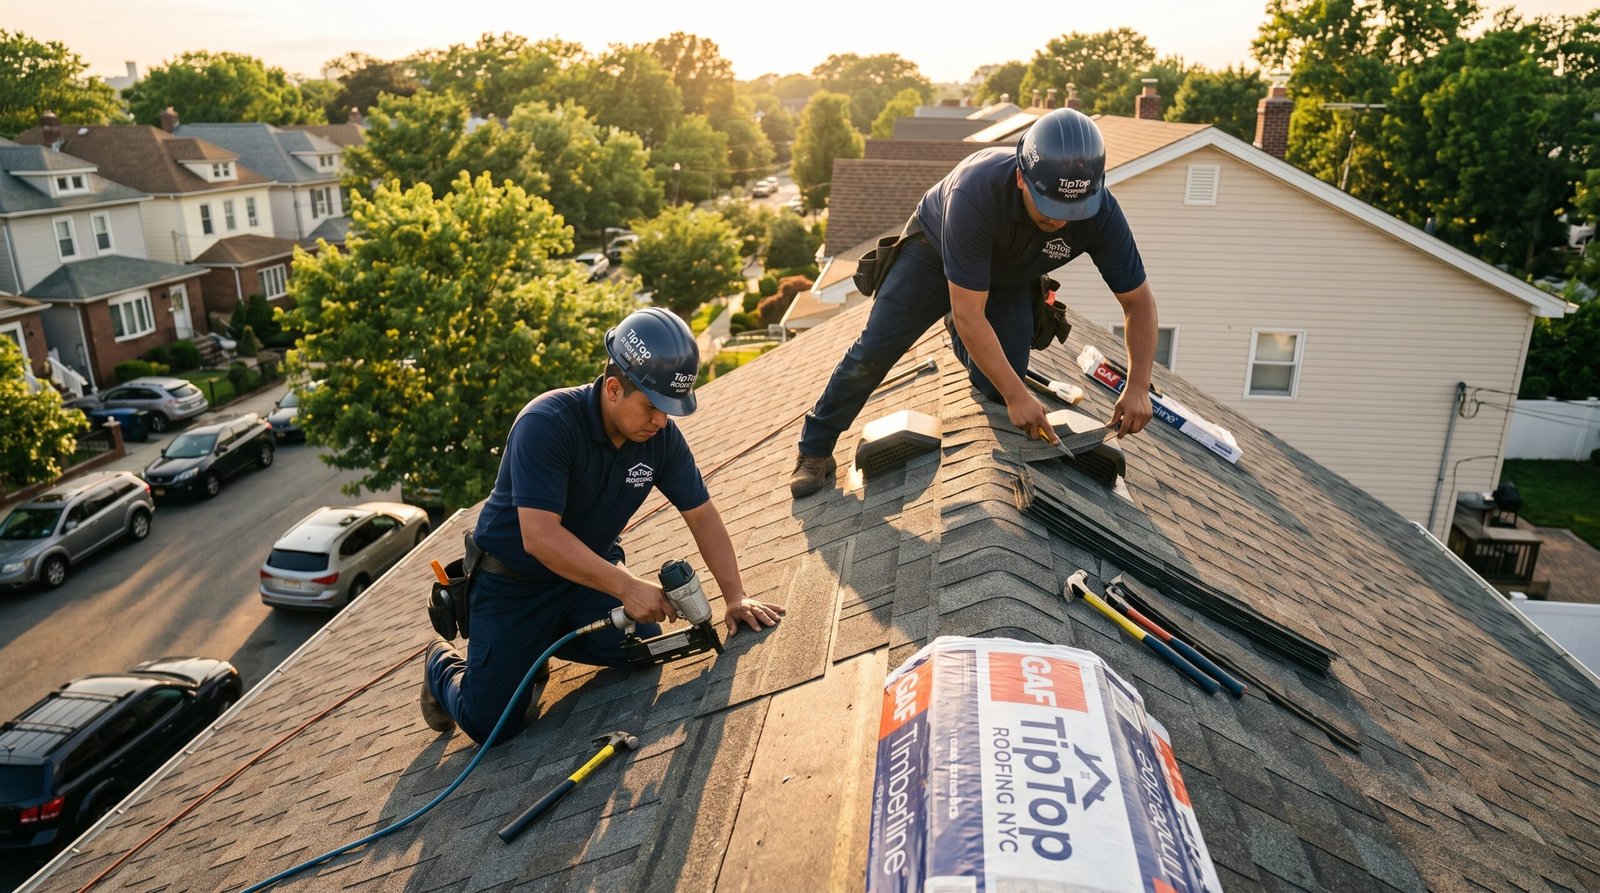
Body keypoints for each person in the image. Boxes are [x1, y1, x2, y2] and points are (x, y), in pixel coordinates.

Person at [422, 307, 786, 743]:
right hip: (513, 587)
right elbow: (540, 537)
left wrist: (735, 596)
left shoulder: (659, 438)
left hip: (584, 576)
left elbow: (701, 514)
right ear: (614, 388)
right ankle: (441, 665)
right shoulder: (546, 424)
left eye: (669, 411)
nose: (661, 422)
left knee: (642, 646)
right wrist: (628, 587)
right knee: (491, 725)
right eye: (652, 407)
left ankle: (532, 649)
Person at [789, 108, 1160, 498]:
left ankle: (967, 337)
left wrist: (1137, 387)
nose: (1062, 223)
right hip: (934, 254)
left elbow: (1139, 302)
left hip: (1009, 273)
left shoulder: (1102, 213)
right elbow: (969, 311)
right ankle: (814, 448)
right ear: (1021, 177)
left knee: (999, 384)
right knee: (877, 347)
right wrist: (1019, 395)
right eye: (1051, 210)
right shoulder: (976, 193)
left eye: (1074, 213)